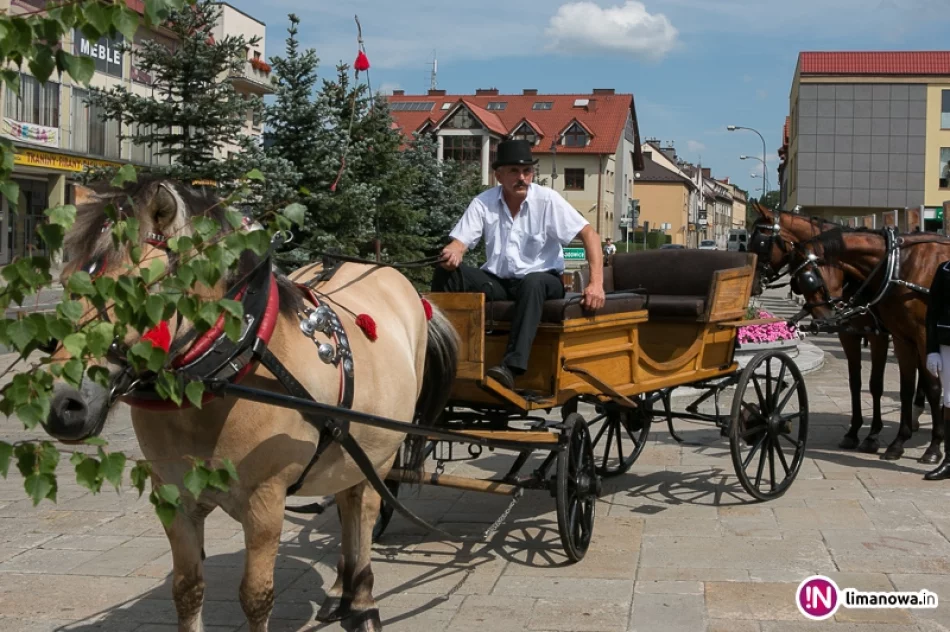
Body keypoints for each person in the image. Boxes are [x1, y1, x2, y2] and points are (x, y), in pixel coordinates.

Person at [432, 139, 606, 390]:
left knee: (532, 281)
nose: (522, 177)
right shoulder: (484, 202)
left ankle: (511, 367)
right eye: (514, 171)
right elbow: (460, 242)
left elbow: (590, 234)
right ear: (499, 175)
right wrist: (454, 251)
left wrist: (596, 284)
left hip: (545, 281)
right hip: (500, 283)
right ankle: (441, 354)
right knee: (446, 274)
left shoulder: (547, 200)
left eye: (527, 171)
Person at [924, 259, 950, 480]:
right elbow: (932, 312)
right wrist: (931, 350)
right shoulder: (945, 270)